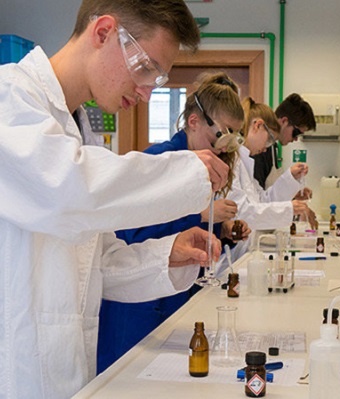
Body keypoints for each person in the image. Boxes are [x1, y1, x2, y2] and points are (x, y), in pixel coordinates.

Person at [0, 1, 230, 398]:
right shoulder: (10, 98)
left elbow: (96, 263)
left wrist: (166, 254)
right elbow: (68, 193)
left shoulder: (75, 127)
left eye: (156, 79)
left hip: (65, 375)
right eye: (145, 68)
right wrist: (187, 173)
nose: (144, 92)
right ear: (103, 32)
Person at [97, 72, 251, 373]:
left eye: (230, 143)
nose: (221, 149)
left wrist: (222, 230)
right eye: (218, 138)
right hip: (138, 309)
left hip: (172, 299)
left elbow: (180, 231)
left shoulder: (197, 166)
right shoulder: (158, 161)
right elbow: (131, 234)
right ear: (193, 122)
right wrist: (202, 215)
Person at [227, 97, 317, 232]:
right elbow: (242, 213)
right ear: (257, 126)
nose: (265, 149)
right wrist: (289, 209)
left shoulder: (245, 163)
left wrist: (290, 179)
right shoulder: (233, 163)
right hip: (235, 248)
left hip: (250, 242)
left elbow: (263, 200)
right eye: (269, 140)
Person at [252, 93, 317, 190]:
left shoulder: (273, 147)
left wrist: (292, 194)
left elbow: (270, 192)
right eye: (296, 133)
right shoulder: (259, 149)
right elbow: (259, 198)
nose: (295, 139)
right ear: (284, 121)